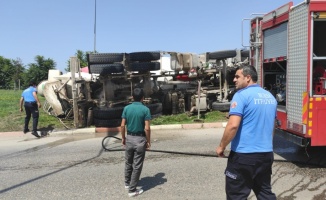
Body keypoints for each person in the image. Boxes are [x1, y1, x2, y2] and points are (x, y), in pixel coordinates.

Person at [216, 65, 277, 200]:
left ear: (248, 78)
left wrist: (221, 146)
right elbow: (272, 127)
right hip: (266, 155)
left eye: (237, 77)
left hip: (243, 156)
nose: (234, 80)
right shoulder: (270, 97)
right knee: (264, 193)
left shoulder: (241, 95)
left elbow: (233, 125)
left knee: (236, 195)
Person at [121, 88, 151, 197]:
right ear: (143, 98)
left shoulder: (126, 108)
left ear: (132, 97)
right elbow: (147, 128)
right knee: (137, 165)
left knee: (128, 162)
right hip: (140, 140)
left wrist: (123, 138)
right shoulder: (145, 109)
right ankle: (132, 191)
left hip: (129, 137)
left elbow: (122, 125)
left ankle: (127, 183)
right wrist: (148, 141)